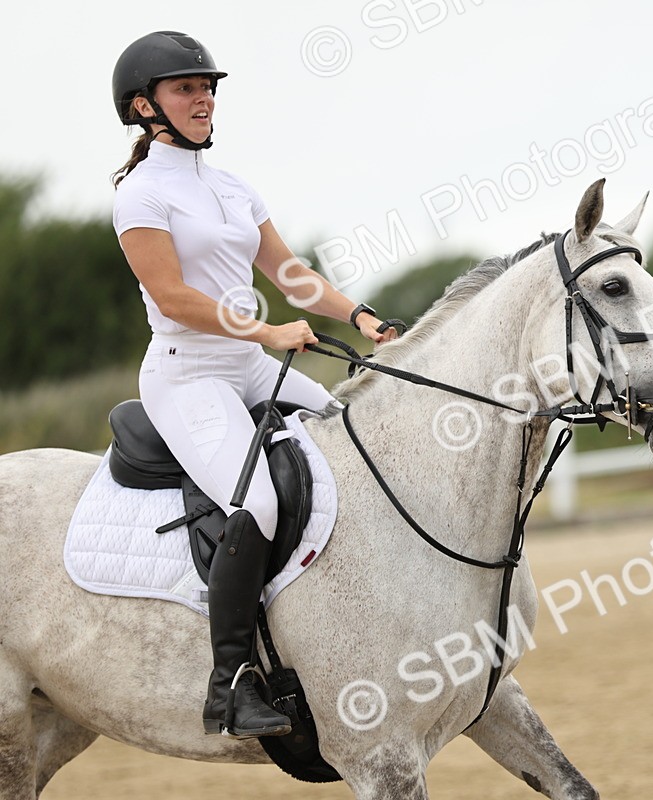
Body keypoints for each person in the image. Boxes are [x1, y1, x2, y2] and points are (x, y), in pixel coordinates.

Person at [111, 30, 397, 739]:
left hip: (248, 362)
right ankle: (231, 685)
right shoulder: (140, 195)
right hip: (187, 373)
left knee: (355, 443)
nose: (203, 98)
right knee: (258, 502)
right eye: (186, 88)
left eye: (207, 87)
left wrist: (360, 315)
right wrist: (266, 332)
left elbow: (290, 275)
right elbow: (173, 298)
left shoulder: (233, 187)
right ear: (144, 106)